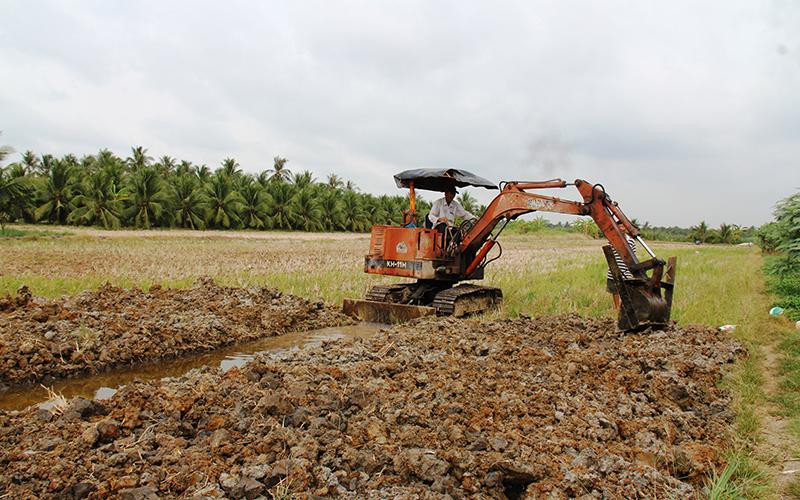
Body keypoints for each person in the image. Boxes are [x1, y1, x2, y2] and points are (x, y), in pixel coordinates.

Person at [607, 233, 638, 311]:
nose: (621, 228)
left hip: (626, 268)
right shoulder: (612, 239)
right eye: (619, 226)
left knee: (626, 289)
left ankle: (624, 307)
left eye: (622, 226)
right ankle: (616, 307)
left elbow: (633, 254)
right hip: (615, 265)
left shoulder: (631, 241)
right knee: (615, 290)